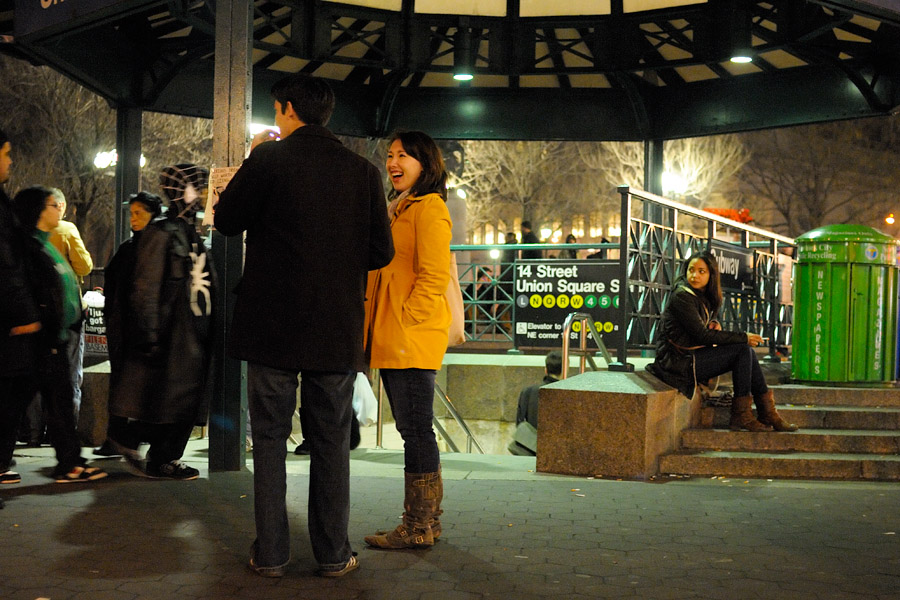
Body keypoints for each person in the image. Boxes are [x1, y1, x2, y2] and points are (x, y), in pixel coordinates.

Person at [214, 73, 393, 578]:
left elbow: (227, 219)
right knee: (331, 441)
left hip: (270, 326)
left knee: (269, 439)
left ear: (289, 109)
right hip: (334, 329)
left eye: (276, 109)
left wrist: (253, 159)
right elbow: (381, 251)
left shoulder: (269, 159)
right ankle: (334, 554)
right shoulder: (362, 171)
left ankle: (270, 554)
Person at [363, 130, 452, 550]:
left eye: (403, 156)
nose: (393, 162)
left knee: (416, 431)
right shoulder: (400, 208)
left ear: (425, 164)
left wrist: (407, 318)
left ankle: (418, 525)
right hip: (397, 335)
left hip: (410, 337)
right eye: (390, 155)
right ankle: (426, 522)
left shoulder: (429, 208)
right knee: (414, 429)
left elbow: (433, 275)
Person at [106, 165, 215, 480]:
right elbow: (146, 289)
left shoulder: (194, 235)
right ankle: (146, 449)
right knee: (166, 399)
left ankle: (162, 456)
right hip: (173, 336)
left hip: (193, 335)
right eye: (199, 187)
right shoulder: (162, 233)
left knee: (182, 402)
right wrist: (150, 335)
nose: (205, 194)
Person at [11, 186, 108, 482]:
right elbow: (82, 267)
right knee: (27, 400)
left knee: (58, 399)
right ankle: (66, 462)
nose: (59, 209)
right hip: (43, 337)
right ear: (40, 211)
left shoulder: (45, 243)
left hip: (56, 334)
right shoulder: (32, 246)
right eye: (53, 204)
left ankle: (69, 462)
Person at [646, 251, 798, 432]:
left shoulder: (701, 296)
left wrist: (713, 324)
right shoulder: (682, 296)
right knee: (743, 349)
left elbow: (698, 330)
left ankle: (766, 412)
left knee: (745, 351)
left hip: (689, 357)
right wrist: (744, 337)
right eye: (691, 270)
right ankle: (745, 414)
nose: (695, 275)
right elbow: (702, 336)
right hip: (677, 363)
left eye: (701, 271)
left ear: (711, 275)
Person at [94, 191, 163, 458]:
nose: (133, 219)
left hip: (135, 328)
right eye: (131, 213)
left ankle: (123, 437)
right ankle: (119, 437)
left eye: (139, 213)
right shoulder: (130, 248)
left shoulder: (144, 249)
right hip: (124, 327)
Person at [0, 129, 43, 485]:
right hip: (10, 321)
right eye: (6, 153)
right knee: (13, 389)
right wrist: (25, 314)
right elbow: (6, 266)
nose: (10, 161)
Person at [48, 188, 93, 423]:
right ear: (61, 207)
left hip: (40, 313)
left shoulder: (29, 234)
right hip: (69, 310)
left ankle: (33, 431)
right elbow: (85, 266)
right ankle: (68, 423)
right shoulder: (67, 230)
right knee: (71, 370)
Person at [508, 350, 562, 456]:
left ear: (546, 370)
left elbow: (519, 423)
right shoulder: (566, 394)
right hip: (556, 453)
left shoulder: (528, 391)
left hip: (529, 451)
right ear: (564, 369)